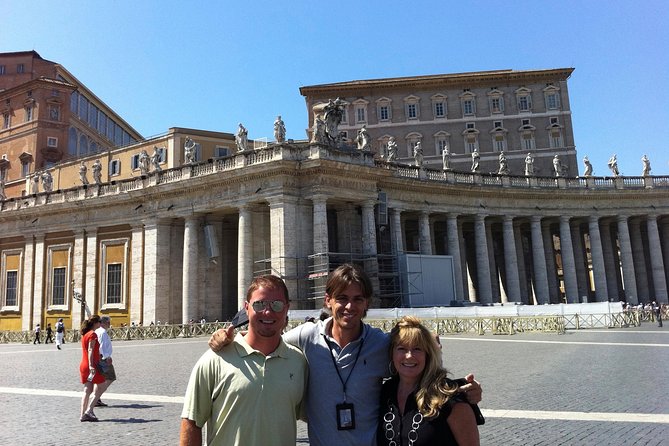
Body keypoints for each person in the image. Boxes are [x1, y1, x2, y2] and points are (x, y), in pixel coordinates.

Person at [209, 264, 482, 446]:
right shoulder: (305, 337)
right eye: (342, 298)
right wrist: (229, 338)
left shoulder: (380, 344)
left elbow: (414, 361)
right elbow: (266, 342)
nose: (349, 306)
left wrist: (461, 391)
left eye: (358, 299)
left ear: (366, 304)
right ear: (328, 301)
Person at [180, 275, 307, 446]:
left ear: (286, 309)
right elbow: (191, 422)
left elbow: (316, 416)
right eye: (259, 304)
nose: (268, 312)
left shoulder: (298, 361)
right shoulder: (214, 359)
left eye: (276, 305)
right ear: (246, 308)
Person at [377, 316, 480, 446]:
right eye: (401, 349)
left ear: (428, 354)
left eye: (417, 349)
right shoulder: (386, 391)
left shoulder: (450, 396)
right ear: (392, 354)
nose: (409, 356)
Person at [79, 315, 105, 422]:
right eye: (99, 321)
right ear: (95, 323)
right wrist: (91, 365)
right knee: (102, 386)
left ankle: (82, 415)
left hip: (83, 365)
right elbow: (90, 350)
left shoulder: (85, 334)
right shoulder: (93, 334)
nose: (100, 323)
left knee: (87, 390)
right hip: (92, 365)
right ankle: (89, 411)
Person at [94, 316, 116, 408]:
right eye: (108, 322)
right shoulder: (102, 332)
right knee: (110, 377)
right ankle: (96, 398)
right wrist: (107, 357)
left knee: (100, 380)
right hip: (103, 358)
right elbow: (101, 346)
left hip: (99, 358)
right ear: (103, 323)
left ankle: (96, 399)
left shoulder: (97, 331)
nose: (109, 324)